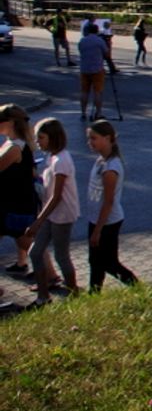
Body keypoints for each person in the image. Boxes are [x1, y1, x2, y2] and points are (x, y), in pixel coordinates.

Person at [23, 118, 81, 305]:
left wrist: (38, 221)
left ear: (53, 137)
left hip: (62, 215)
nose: (38, 142)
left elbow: (57, 197)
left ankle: (74, 295)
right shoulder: (52, 157)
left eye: (41, 137)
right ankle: (43, 295)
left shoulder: (61, 161)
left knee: (61, 255)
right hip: (50, 213)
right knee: (35, 252)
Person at [85, 120, 138, 292]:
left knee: (108, 263)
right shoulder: (102, 160)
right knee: (95, 261)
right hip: (96, 219)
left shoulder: (111, 168)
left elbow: (108, 202)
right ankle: (94, 293)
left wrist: (97, 230)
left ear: (107, 138)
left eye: (94, 138)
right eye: (89, 138)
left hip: (107, 222)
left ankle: (136, 287)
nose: (90, 142)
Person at [0, 104, 39, 278]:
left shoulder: (14, 147)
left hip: (16, 203)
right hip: (16, 201)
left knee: (26, 241)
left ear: (11, 123)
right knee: (23, 239)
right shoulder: (16, 144)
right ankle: (22, 264)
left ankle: (51, 276)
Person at [78, 23, 110, 121]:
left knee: (84, 92)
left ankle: (83, 113)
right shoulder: (99, 41)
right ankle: (98, 113)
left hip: (84, 69)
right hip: (97, 69)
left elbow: (80, 51)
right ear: (96, 31)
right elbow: (106, 54)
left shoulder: (82, 41)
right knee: (97, 92)